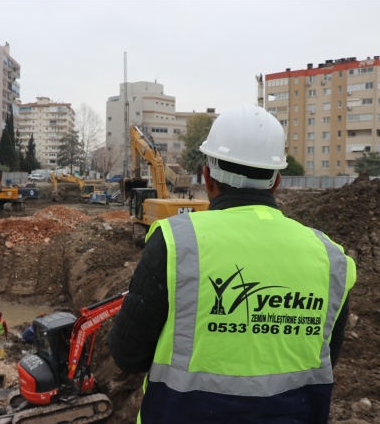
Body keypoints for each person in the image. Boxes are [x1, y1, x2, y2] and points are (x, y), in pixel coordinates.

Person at [108, 104, 357, 423]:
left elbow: (128, 353)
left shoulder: (177, 244)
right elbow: (325, 358)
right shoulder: (332, 258)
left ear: (207, 176)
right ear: (276, 182)